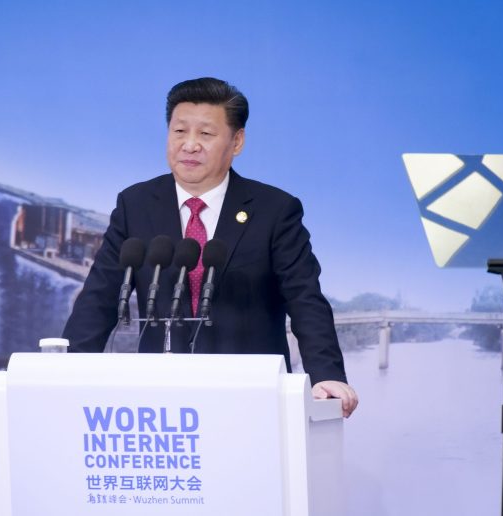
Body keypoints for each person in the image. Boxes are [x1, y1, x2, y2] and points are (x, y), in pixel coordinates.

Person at [63, 77, 358, 417]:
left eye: (205, 134)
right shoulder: (136, 204)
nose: (189, 145)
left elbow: (306, 299)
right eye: (179, 132)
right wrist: (66, 371)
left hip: (250, 400)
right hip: (156, 403)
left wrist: (327, 376)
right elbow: (99, 296)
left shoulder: (274, 210)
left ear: (237, 141)